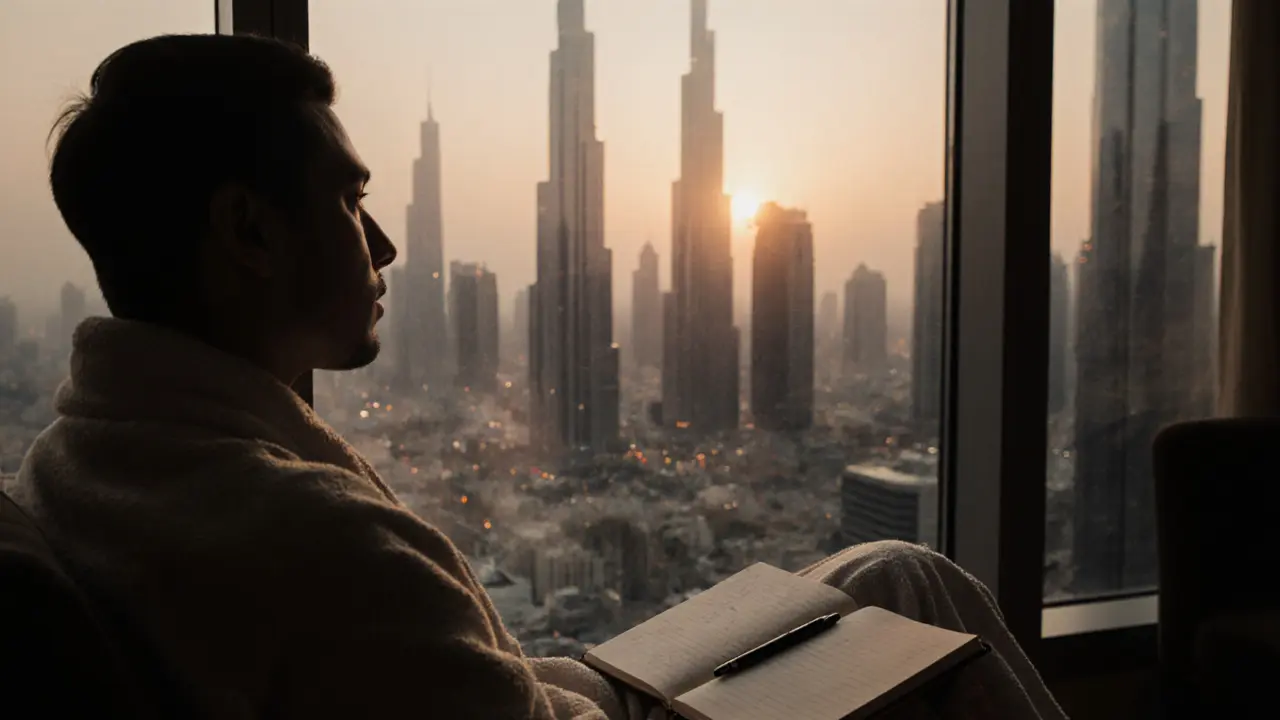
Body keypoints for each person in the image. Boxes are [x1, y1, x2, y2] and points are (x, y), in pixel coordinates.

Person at [14, 34, 1066, 719]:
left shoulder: (82, 462)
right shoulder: (300, 533)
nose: (380, 246)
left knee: (886, 567)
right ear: (248, 230)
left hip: (568, 698)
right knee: (913, 593)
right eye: (346, 202)